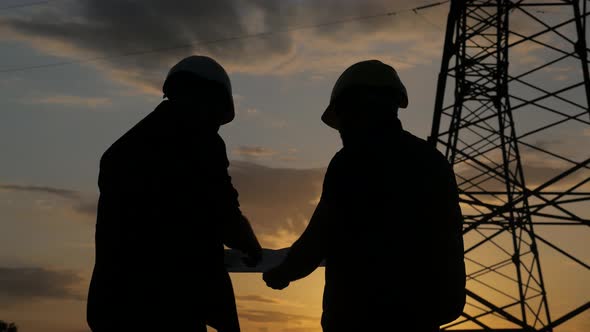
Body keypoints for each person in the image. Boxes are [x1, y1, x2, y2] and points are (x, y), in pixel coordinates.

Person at [262, 60, 466, 331]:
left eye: (343, 118)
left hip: (363, 314)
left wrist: (283, 273)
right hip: (425, 311)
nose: (342, 130)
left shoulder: (352, 162)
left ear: (358, 108)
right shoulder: (433, 160)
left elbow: (321, 235)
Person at [87, 55, 263, 332]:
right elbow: (223, 211)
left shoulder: (120, 152)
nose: (217, 126)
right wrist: (251, 246)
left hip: (113, 305)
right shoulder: (199, 139)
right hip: (169, 304)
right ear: (209, 100)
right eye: (217, 117)